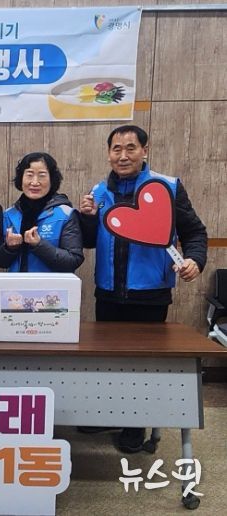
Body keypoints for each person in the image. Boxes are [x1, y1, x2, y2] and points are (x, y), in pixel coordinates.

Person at [79, 124, 208, 453]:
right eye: (116, 149)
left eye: (130, 148)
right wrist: (88, 218)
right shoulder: (98, 192)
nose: (123, 155)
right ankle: (107, 415)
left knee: (141, 364)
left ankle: (135, 424)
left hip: (150, 295)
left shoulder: (167, 187)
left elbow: (195, 232)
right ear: (108, 154)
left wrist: (195, 260)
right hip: (108, 293)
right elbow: (90, 241)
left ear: (144, 151)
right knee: (107, 362)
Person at [0, 152, 84, 272]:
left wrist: (39, 245)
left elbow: (73, 260)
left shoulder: (65, 214)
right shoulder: (9, 215)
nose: (35, 182)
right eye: (29, 175)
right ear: (21, 178)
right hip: (16, 284)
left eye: (42, 175)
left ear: (52, 179)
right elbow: (0, 262)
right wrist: (9, 248)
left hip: (51, 285)